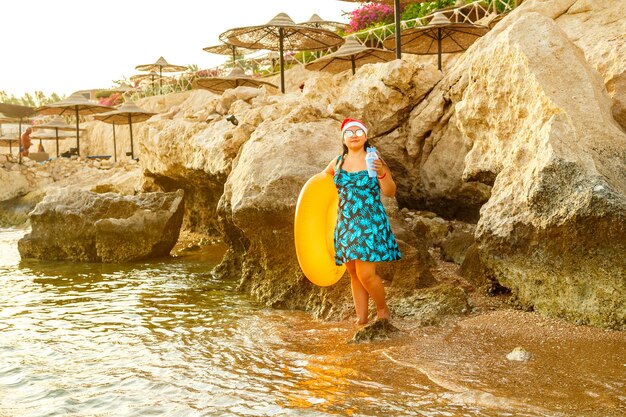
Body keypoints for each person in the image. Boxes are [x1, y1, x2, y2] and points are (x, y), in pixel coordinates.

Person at [323, 118, 402, 325]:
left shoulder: (374, 159)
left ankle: (382, 308)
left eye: (359, 131)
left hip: (369, 222)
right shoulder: (337, 162)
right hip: (346, 224)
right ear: (343, 138)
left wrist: (381, 173)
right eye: (350, 132)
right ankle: (361, 319)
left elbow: (390, 192)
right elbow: (321, 186)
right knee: (353, 273)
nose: (355, 135)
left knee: (366, 274)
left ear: (366, 136)